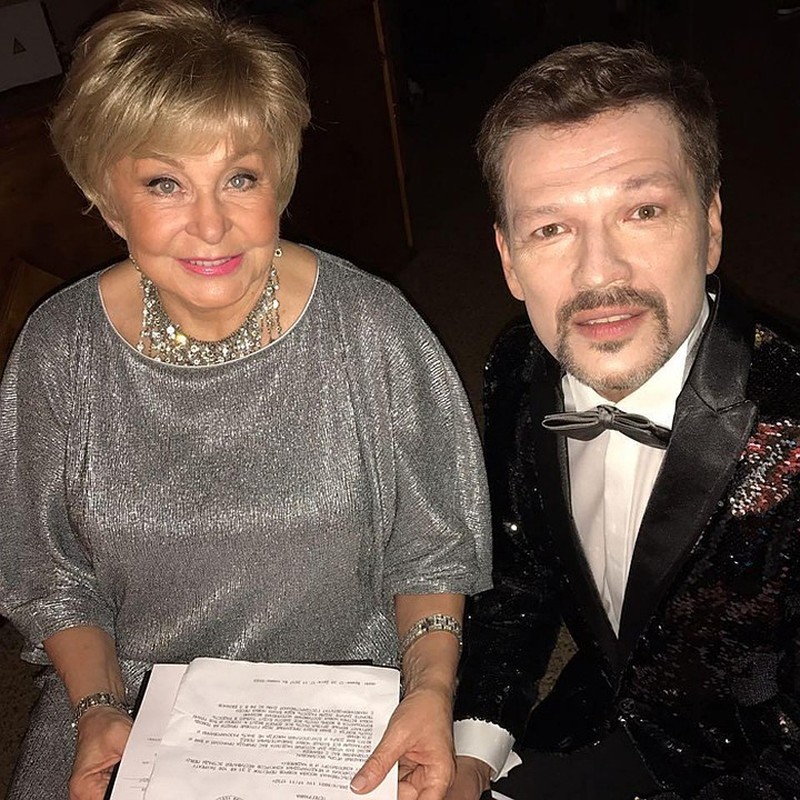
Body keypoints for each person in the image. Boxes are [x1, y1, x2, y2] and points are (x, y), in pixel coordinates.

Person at [0, 2, 492, 798]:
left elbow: (432, 544)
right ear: (107, 194)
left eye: (240, 178)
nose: (211, 225)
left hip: (342, 705)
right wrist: (97, 708)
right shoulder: (59, 350)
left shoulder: (372, 328)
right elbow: (49, 576)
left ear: (279, 180)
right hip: (128, 708)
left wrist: (430, 692)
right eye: (164, 183)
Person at [449, 41, 800, 800]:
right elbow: (519, 583)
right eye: (551, 228)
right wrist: (473, 748)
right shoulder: (521, 365)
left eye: (642, 211)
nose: (599, 273)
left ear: (711, 226)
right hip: (597, 716)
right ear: (507, 259)